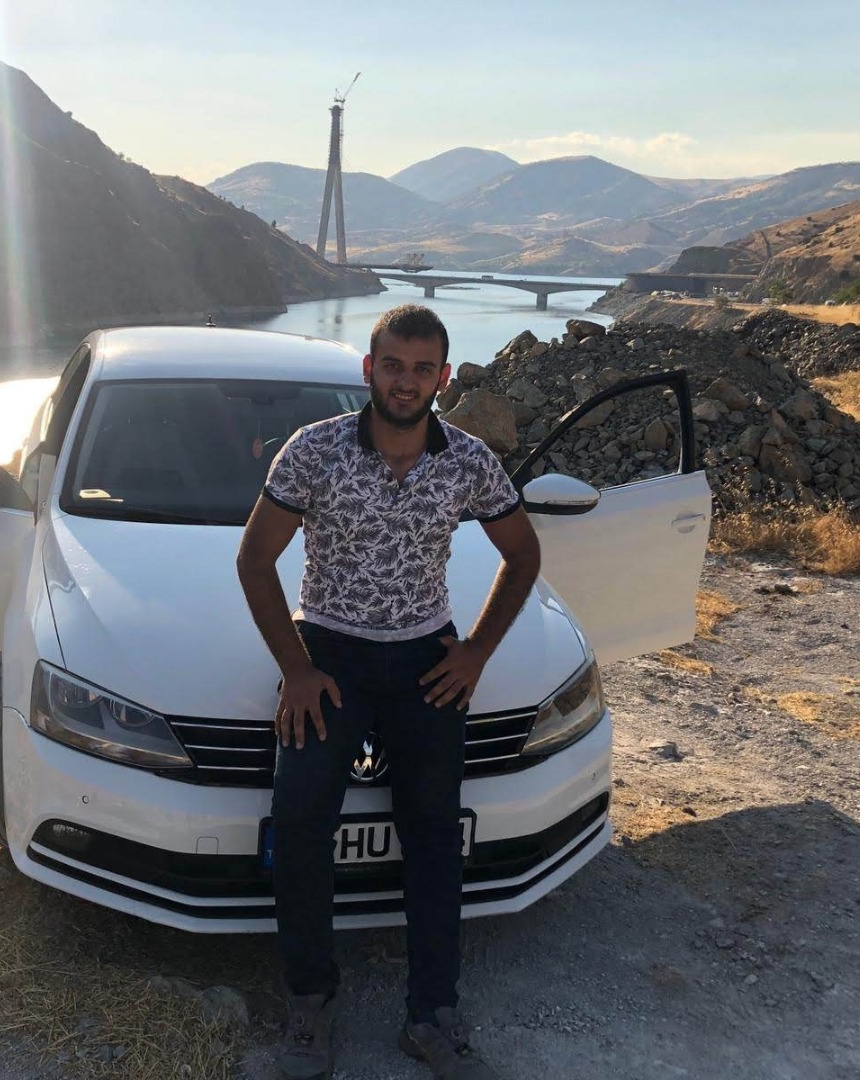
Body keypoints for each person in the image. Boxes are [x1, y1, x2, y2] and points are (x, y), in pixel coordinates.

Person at [236, 304, 542, 1080]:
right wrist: (296, 669)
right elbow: (254, 560)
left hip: (424, 664)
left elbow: (524, 556)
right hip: (329, 655)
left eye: (422, 369)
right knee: (301, 824)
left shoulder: (469, 461)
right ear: (369, 369)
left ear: (444, 377)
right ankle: (311, 1006)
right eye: (393, 365)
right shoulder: (315, 450)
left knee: (434, 835)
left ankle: (432, 1016)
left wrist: (475, 652)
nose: (406, 382)